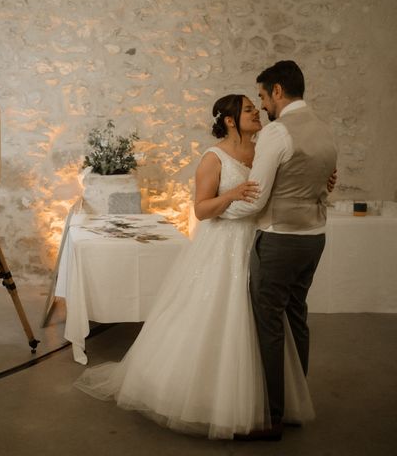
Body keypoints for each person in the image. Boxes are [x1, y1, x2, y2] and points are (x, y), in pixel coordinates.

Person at [74, 94, 315, 439]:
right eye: (249, 110)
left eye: (255, 107)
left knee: (260, 319)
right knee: (217, 313)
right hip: (222, 246)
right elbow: (201, 210)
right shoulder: (213, 157)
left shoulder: (264, 149)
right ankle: (209, 399)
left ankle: (262, 397)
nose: (257, 113)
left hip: (258, 242)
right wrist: (231, 195)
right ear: (230, 120)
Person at [221, 60, 337, 439]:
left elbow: (255, 200)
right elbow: (323, 183)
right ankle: (294, 403)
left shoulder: (277, 133)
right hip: (314, 237)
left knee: (269, 325)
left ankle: (271, 417)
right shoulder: (324, 130)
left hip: (280, 239)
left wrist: (221, 209)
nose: (262, 106)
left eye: (262, 96)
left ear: (277, 91)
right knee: (296, 318)